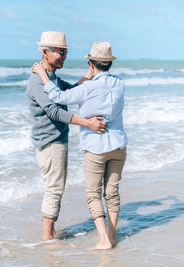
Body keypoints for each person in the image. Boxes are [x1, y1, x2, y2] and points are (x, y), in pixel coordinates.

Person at [32, 41, 127, 249]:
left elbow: (58, 97)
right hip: (119, 145)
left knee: (93, 193)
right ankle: (111, 236)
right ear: (109, 64)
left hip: (96, 146)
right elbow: (77, 90)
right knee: (112, 193)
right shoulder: (119, 83)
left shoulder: (88, 88)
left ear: (91, 64)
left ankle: (103, 240)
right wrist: (88, 76)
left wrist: (41, 74)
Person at [26, 32, 107, 241]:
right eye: (61, 52)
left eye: (66, 52)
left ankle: (51, 232)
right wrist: (88, 122)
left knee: (56, 186)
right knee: (54, 187)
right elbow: (55, 111)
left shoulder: (52, 77)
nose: (64, 56)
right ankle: (47, 238)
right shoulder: (37, 82)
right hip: (50, 142)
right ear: (46, 52)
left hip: (57, 139)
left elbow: (68, 93)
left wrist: (86, 78)